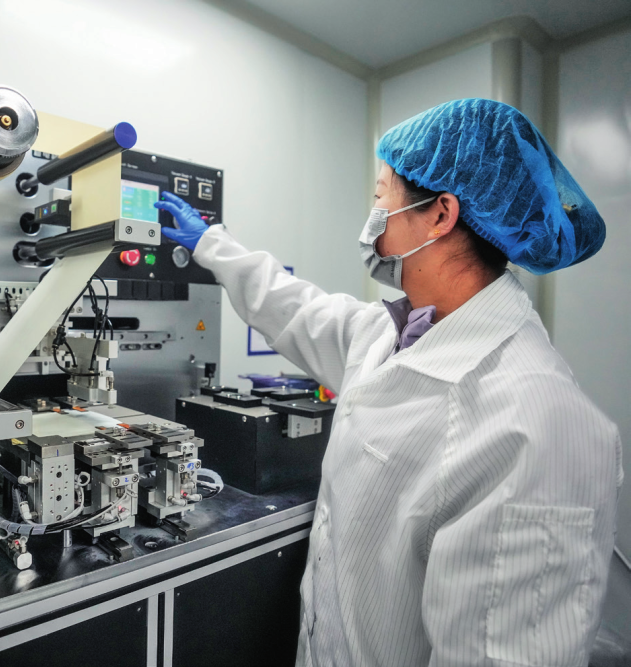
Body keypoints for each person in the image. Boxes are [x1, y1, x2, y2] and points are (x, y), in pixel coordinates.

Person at [155, 98, 622, 666]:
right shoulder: (394, 331)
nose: (373, 216)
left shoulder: (538, 427)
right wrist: (211, 244)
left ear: (441, 215)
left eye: (381, 197)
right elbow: (299, 309)